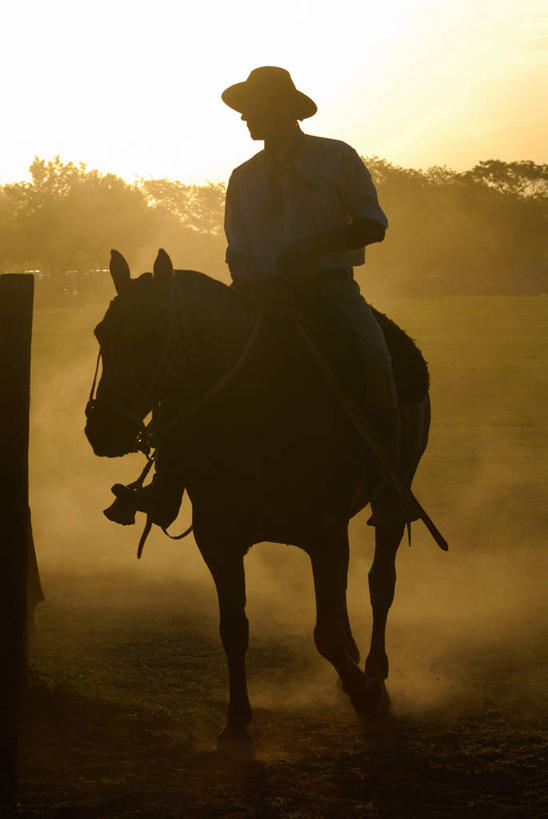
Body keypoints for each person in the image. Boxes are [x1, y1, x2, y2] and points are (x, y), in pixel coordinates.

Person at [222, 66, 413, 523]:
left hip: (330, 290)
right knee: (200, 360)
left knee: (375, 359)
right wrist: (250, 282)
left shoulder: (336, 157)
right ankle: (168, 482)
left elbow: (373, 226)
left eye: (252, 110)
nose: (245, 119)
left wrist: (313, 247)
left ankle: (388, 482)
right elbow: (237, 247)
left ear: (281, 110)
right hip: (263, 297)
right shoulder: (242, 176)